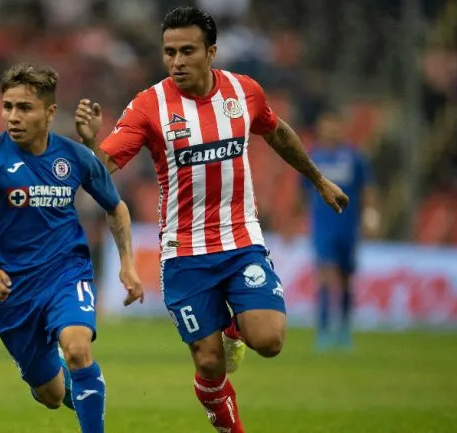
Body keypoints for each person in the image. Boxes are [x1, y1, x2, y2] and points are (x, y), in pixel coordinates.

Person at [74, 7, 349, 432]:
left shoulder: (244, 92)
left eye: (187, 51)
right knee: (207, 360)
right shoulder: (151, 106)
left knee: (270, 340)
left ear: (211, 51)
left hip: (240, 241)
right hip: (183, 252)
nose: (177, 61)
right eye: (169, 52)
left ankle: (235, 330)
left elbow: (276, 132)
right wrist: (91, 145)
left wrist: (318, 180)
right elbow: (102, 167)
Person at [0, 63, 144, 433]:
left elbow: (116, 206)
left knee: (79, 347)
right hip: (12, 290)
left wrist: (127, 264)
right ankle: (61, 379)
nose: (13, 117)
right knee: (50, 394)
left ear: (49, 113)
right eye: (8, 107)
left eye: (24, 108)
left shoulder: (75, 157)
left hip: (67, 271)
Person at [302, 110, 378, 352]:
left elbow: (366, 189)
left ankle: (344, 330)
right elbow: (302, 191)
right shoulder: (312, 157)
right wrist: (293, 221)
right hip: (322, 227)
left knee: (345, 279)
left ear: (341, 127)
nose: (331, 130)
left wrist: (369, 216)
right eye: (327, 125)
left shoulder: (354, 157)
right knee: (324, 275)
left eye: (335, 125)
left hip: (348, 226)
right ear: (321, 128)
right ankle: (323, 331)